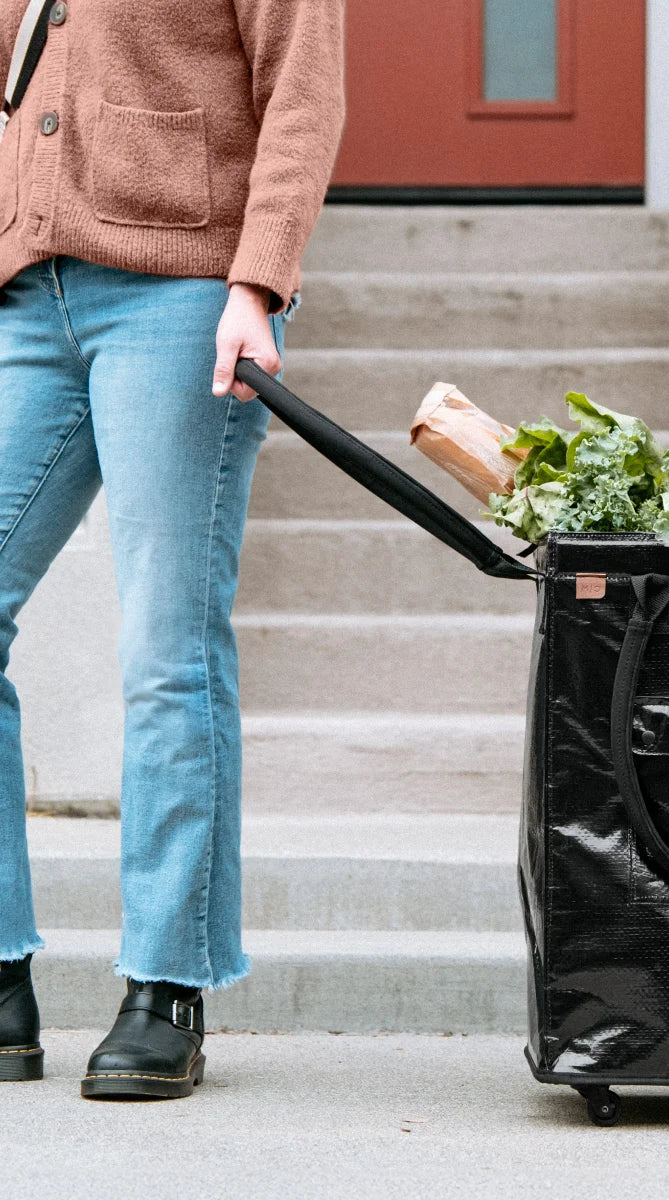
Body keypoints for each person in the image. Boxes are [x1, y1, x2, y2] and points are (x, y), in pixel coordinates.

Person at [0, 0, 345, 1099]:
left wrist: (260, 281)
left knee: (167, 644)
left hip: (183, 297)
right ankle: (2, 975)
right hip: (26, 294)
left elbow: (303, 89)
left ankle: (166, 984)